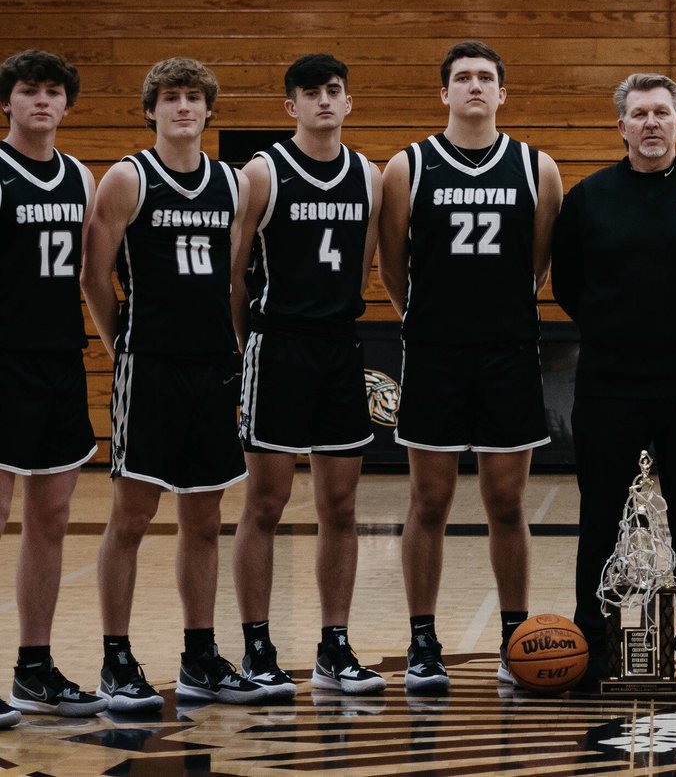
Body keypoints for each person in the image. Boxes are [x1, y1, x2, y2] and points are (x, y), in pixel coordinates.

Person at [551, 72, 676, 685]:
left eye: (662, 113)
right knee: (600, 516)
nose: (651, 124)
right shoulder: (588, 198)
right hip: (611, 385)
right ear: (622, 127)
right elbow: (568, 285)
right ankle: (590, 643)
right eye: (639, 114)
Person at [81, 57, 268, 711]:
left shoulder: (233, 185)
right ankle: (114, 658)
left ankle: (198, 655)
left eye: (193, 97)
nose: (183, 107)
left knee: (204, 517)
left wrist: (236, 353)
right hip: (150, 367)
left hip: (212, 366)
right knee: (131, 517)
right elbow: (93, 278)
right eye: (170, 98)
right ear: (151, 109)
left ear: (209, 110)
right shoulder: (127, 179)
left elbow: (235, 279)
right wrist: (122, 349)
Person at [379, 41, 563, 693]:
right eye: (462, 77)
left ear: (503, 92)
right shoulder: (408, 166)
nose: (475, 86)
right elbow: (392, 265)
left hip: (508, 352)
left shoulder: (538, 167)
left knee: (507, 502)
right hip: (434, 353)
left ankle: (517, 640)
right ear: (445, 93)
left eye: (487, 76)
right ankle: (423, 641)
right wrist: (430, 318)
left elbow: (539, 264)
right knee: (428, 500)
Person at [231, 54, 384, 698]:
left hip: (339, 349)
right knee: (265, 503)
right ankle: (258, 646)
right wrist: (246, 349)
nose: (324, 101)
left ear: (348, 102)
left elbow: (366, 266)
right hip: (277, 347)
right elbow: (232, 272)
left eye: (334, 91)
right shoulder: (263, 172)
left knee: (341, 507)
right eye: (310, 93)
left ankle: (334, 647)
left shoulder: (371, 177)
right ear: (289, 106)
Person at [0, 50, 106, 721]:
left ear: (67, 104)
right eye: (28, 91)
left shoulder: (80, 178)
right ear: (7, 103)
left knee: (52, 517)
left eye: (53, 91)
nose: (42, 101)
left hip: (60, 360)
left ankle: (33, 669)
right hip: (2, 361)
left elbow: (94, 277)